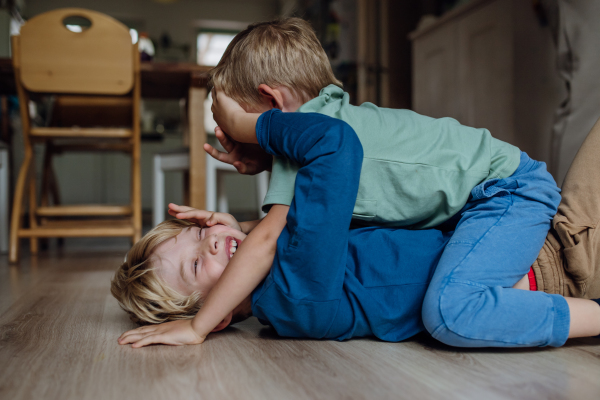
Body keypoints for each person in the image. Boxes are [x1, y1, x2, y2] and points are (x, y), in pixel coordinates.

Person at [115, 18, 600, 348]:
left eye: (199, 235)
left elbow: (297, 214)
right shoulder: (293, 295)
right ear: (219, 314)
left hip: (514, 201)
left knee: (452, 307)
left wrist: (260, 154)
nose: (213, 243)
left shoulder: (308, 157)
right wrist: (198, 325)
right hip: (531, 241)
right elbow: (301, 210)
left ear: (275, 105)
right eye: (199, 263)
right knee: (452, 310)